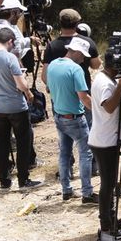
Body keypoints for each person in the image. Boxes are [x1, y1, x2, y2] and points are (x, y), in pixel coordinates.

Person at [45, 35, 95, 204]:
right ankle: (87, 193)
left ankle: (66, 190)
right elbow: (84, 97)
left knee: (64, 154)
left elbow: (49, 88)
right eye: (82, 56)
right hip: (75, 118)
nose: (83, 59)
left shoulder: (52, 65)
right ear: (76, 52)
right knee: (85, 154)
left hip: (59, 116)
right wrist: (99, 111)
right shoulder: (76, 69)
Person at [0, 27, 40, 189]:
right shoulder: (10, 58)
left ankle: (4, 181)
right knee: (23, 142)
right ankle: (23, 180)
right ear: (10, 41)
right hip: (15, 106)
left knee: (2, 144)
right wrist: (27, 91)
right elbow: (20, 84)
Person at [86, 52, 121, 234]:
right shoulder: (104, 82)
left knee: (109, 183)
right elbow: (109, 107)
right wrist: (120, 88)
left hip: (105, 138)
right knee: (108, 184)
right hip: (105, 141)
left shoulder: (102, 78)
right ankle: (106, 224)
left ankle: (111, 218)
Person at [42, 9, 91, 83]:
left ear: (60, 23)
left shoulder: (51, 45)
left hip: (59, 93)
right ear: (77, 24)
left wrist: (54, 87)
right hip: (83, 91)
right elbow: (96, 65)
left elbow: (45, 76)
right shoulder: (87, 42)